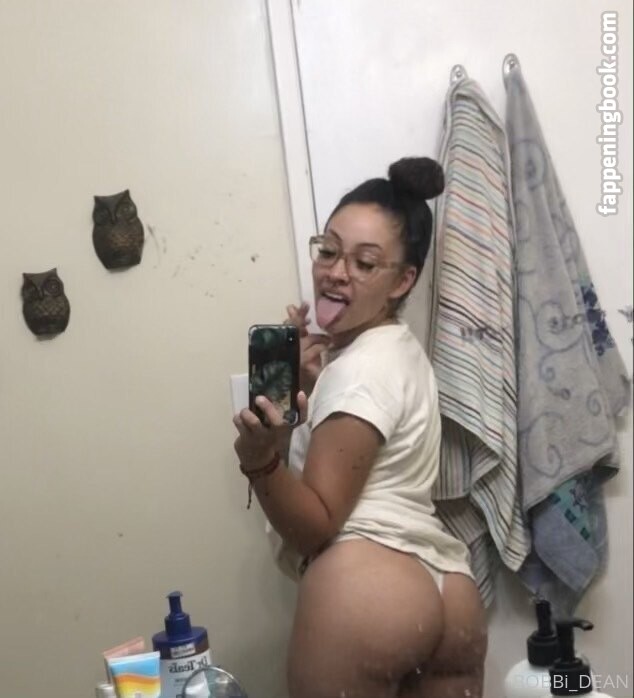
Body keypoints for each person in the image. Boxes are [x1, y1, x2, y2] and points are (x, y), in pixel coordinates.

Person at [232, 157, 487, 698]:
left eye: (365, 262)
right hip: (451, 591)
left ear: (404, 280)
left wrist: (260, 461)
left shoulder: (359, 371)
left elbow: (316, 526)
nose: (336, 271)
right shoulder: (398, 353)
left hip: (366, 590)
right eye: (328, 251)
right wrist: (307, 387)